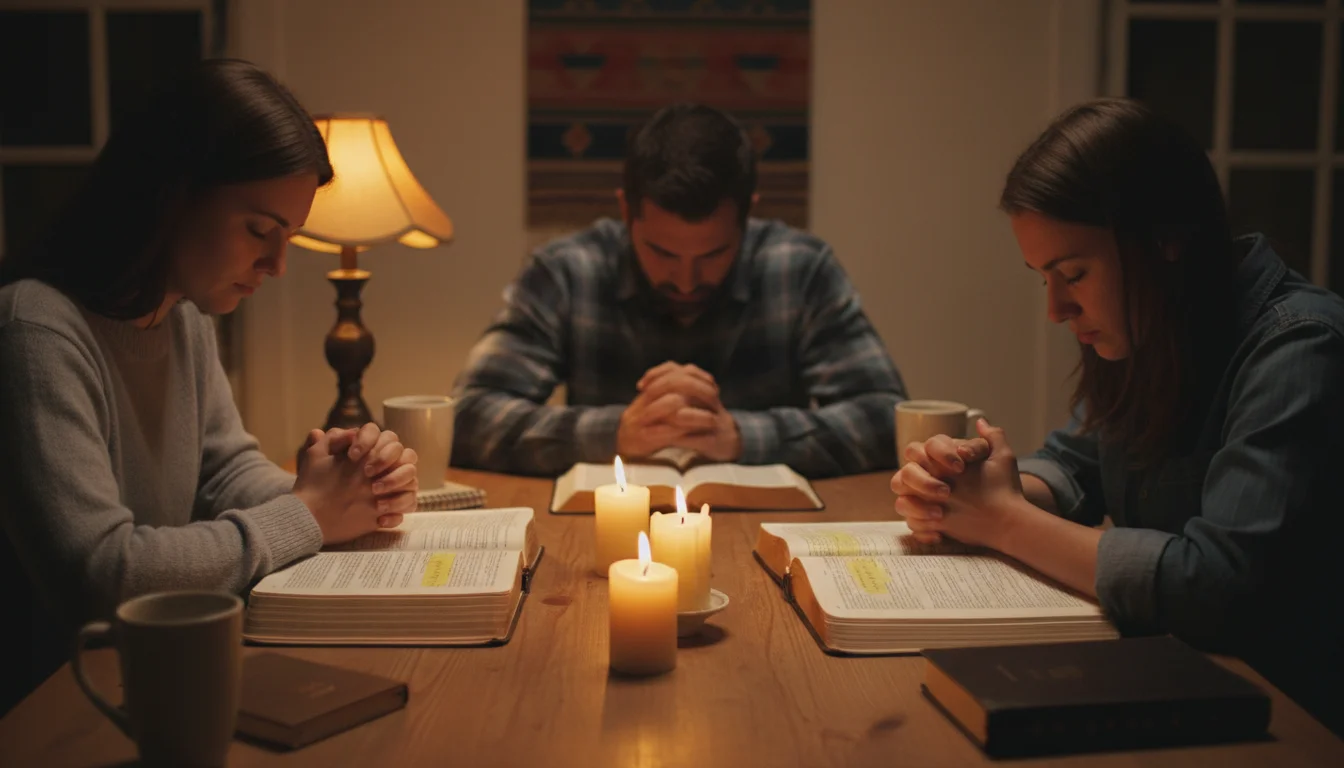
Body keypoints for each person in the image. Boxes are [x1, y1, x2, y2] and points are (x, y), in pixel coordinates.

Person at [890, 98, 1344, 735]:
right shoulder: (1156, 327)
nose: (1055, 309)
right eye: (1041, 278)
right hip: (1175, 683)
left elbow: (1218, 587)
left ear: (1165, 241)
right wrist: (966, 484)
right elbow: (1082, 463)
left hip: (1292, 722)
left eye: (1072, 273)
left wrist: (1005, 521)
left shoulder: (1301, 347)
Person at [0, 59, 419, 711]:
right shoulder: (38, 330)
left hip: (161, 672)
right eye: (259, 230)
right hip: (63, 703)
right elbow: (105, 574)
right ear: (171, 193)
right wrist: (309, 512)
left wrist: (344, 487)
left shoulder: (182, 313)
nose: (277, 266)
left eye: (289, 238)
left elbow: (222, 471)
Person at [453, 103, 906, 477]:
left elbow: (890, 418)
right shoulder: (567, 269)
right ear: (625, 210)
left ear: (747, 215)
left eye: (713, 254)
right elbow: (467, 415)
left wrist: (743, 438)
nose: (687, 281)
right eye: (662, 253)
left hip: (775, 530)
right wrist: (616, 432)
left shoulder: (801, 268)